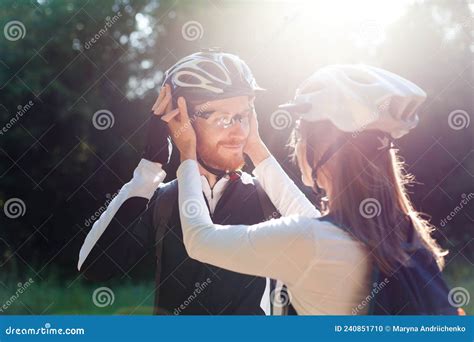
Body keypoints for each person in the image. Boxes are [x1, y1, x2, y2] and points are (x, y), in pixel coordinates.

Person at [169, 64, 458, 315]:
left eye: (299, 135)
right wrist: (254, 147)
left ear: (320, 151)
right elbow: (310, 224)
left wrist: (187, 154)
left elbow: (200, 240)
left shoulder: (311, 242)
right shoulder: (403, 233)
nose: (296, 145)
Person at [77, 50, 319, 315]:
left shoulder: (271, 196)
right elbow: (94, 267)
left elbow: (323, 244)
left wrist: (257, 147)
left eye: (244, 115)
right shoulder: (165, 200)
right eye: (223, 118)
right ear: (181, 121)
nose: (238, 131)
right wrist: (150, 166)